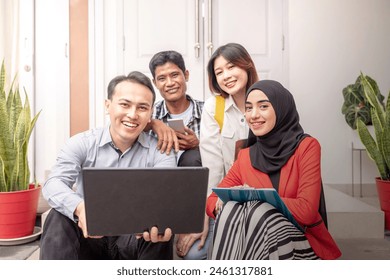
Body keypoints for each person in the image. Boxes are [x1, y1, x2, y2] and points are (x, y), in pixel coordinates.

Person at [40, 71, 175, 260]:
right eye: (125, 104)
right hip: (89, 233)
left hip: (134, 237)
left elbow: (165, 194)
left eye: (142, 108)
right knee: (58, 216)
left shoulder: (161, 150)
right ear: (108, 105)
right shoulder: (82, 143)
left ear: (151, 114)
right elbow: (53, 183)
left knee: (159, 225)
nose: (133, 114)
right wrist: (80, 208)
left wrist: (156, 218)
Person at [206, 80, 342, 260]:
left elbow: (307, 210)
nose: (253, 115)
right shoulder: (246, 156)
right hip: (257, 244)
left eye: (263, 106)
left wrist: (256, 202)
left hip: (300, 241)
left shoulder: (307, 147)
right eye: (248, 108)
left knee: (258, 211)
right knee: (231, 207)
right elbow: (212, 200)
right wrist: (223, 204)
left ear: (281, 108)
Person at [148, 50, 210, 260]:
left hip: (200, 199)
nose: (170, 83)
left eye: (175, 75)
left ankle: (189, 224)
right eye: (162, 78)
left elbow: (226, 158)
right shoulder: (149, 116)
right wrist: (153, 123)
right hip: (161, 197)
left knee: (192, 155)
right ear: (155, 83)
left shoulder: (208, 111)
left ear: (186, 75)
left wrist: (200, 144)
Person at [199, 43, 259, 237]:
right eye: (219, 72)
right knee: (195, 254)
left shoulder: (268, 98)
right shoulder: (213, 107)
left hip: (264, 196)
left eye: (231, 66)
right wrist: (208, 211)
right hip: (227, 197)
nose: (226, 76)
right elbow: (213, 165)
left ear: (246, 65)